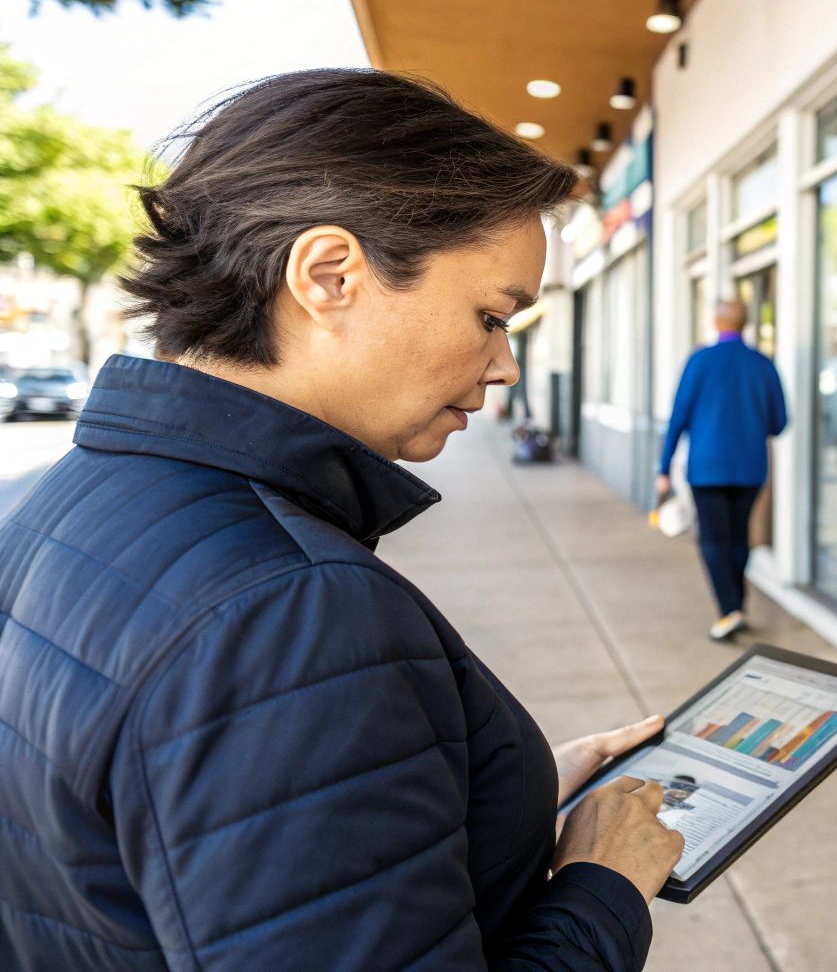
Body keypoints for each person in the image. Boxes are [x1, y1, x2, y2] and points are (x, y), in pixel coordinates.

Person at [0, 69, 684, 970]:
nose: (505, 366)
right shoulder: (290, 612)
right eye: (491, 316)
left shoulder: (58, 503)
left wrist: (478, 797)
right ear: (329, 276)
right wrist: (603, 885)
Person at [657, 299, 788, 641]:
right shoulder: (762, 364)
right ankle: (736, 605)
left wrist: (663, 467)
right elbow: (779, 423)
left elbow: (678, 417)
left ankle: (730, 610)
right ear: (745, 324)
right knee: (739, 537)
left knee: (714, 540)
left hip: (707, 468)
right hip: (750, 469)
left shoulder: (699, 360)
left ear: (716, 323)